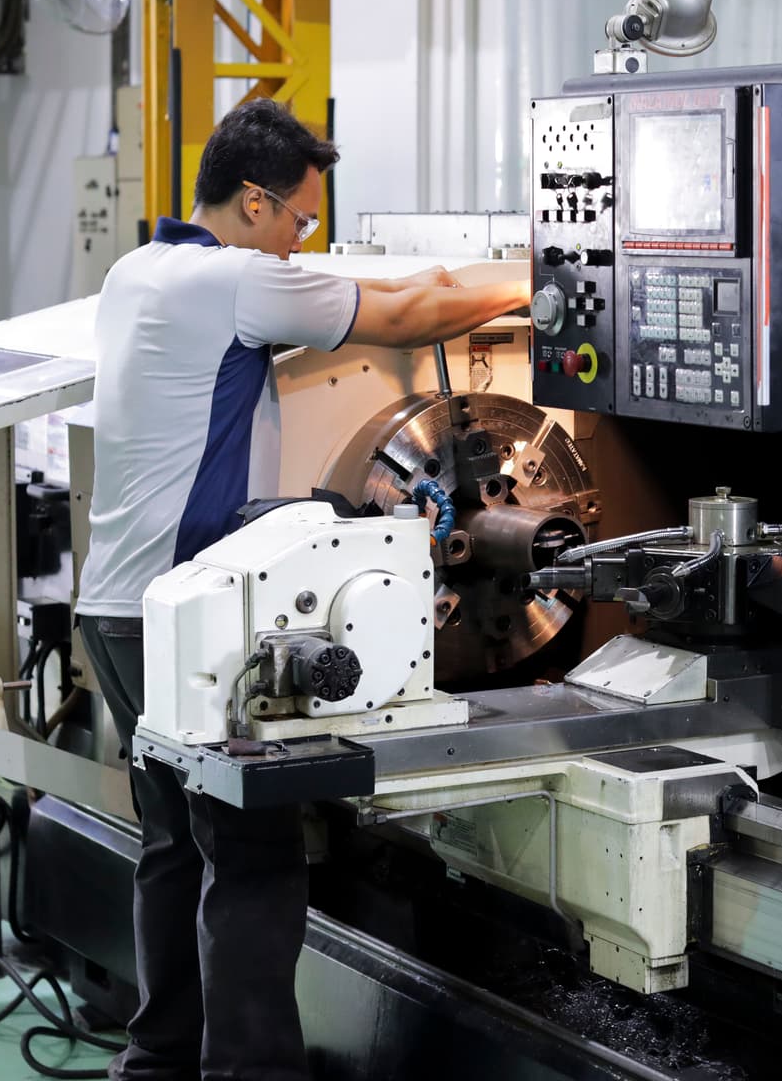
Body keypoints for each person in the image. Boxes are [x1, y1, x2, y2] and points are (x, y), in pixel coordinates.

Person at [72, 97, 530, 1080]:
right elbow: (407, 312)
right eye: (297, 221)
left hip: (113, 606)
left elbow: (391, 293)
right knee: (253, 854)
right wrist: (545, 282)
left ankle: (156, 1060)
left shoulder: (138, 270)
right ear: (250, 200)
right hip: (184, 613)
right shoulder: (235, 282)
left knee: (173, 846)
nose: (298, 243)